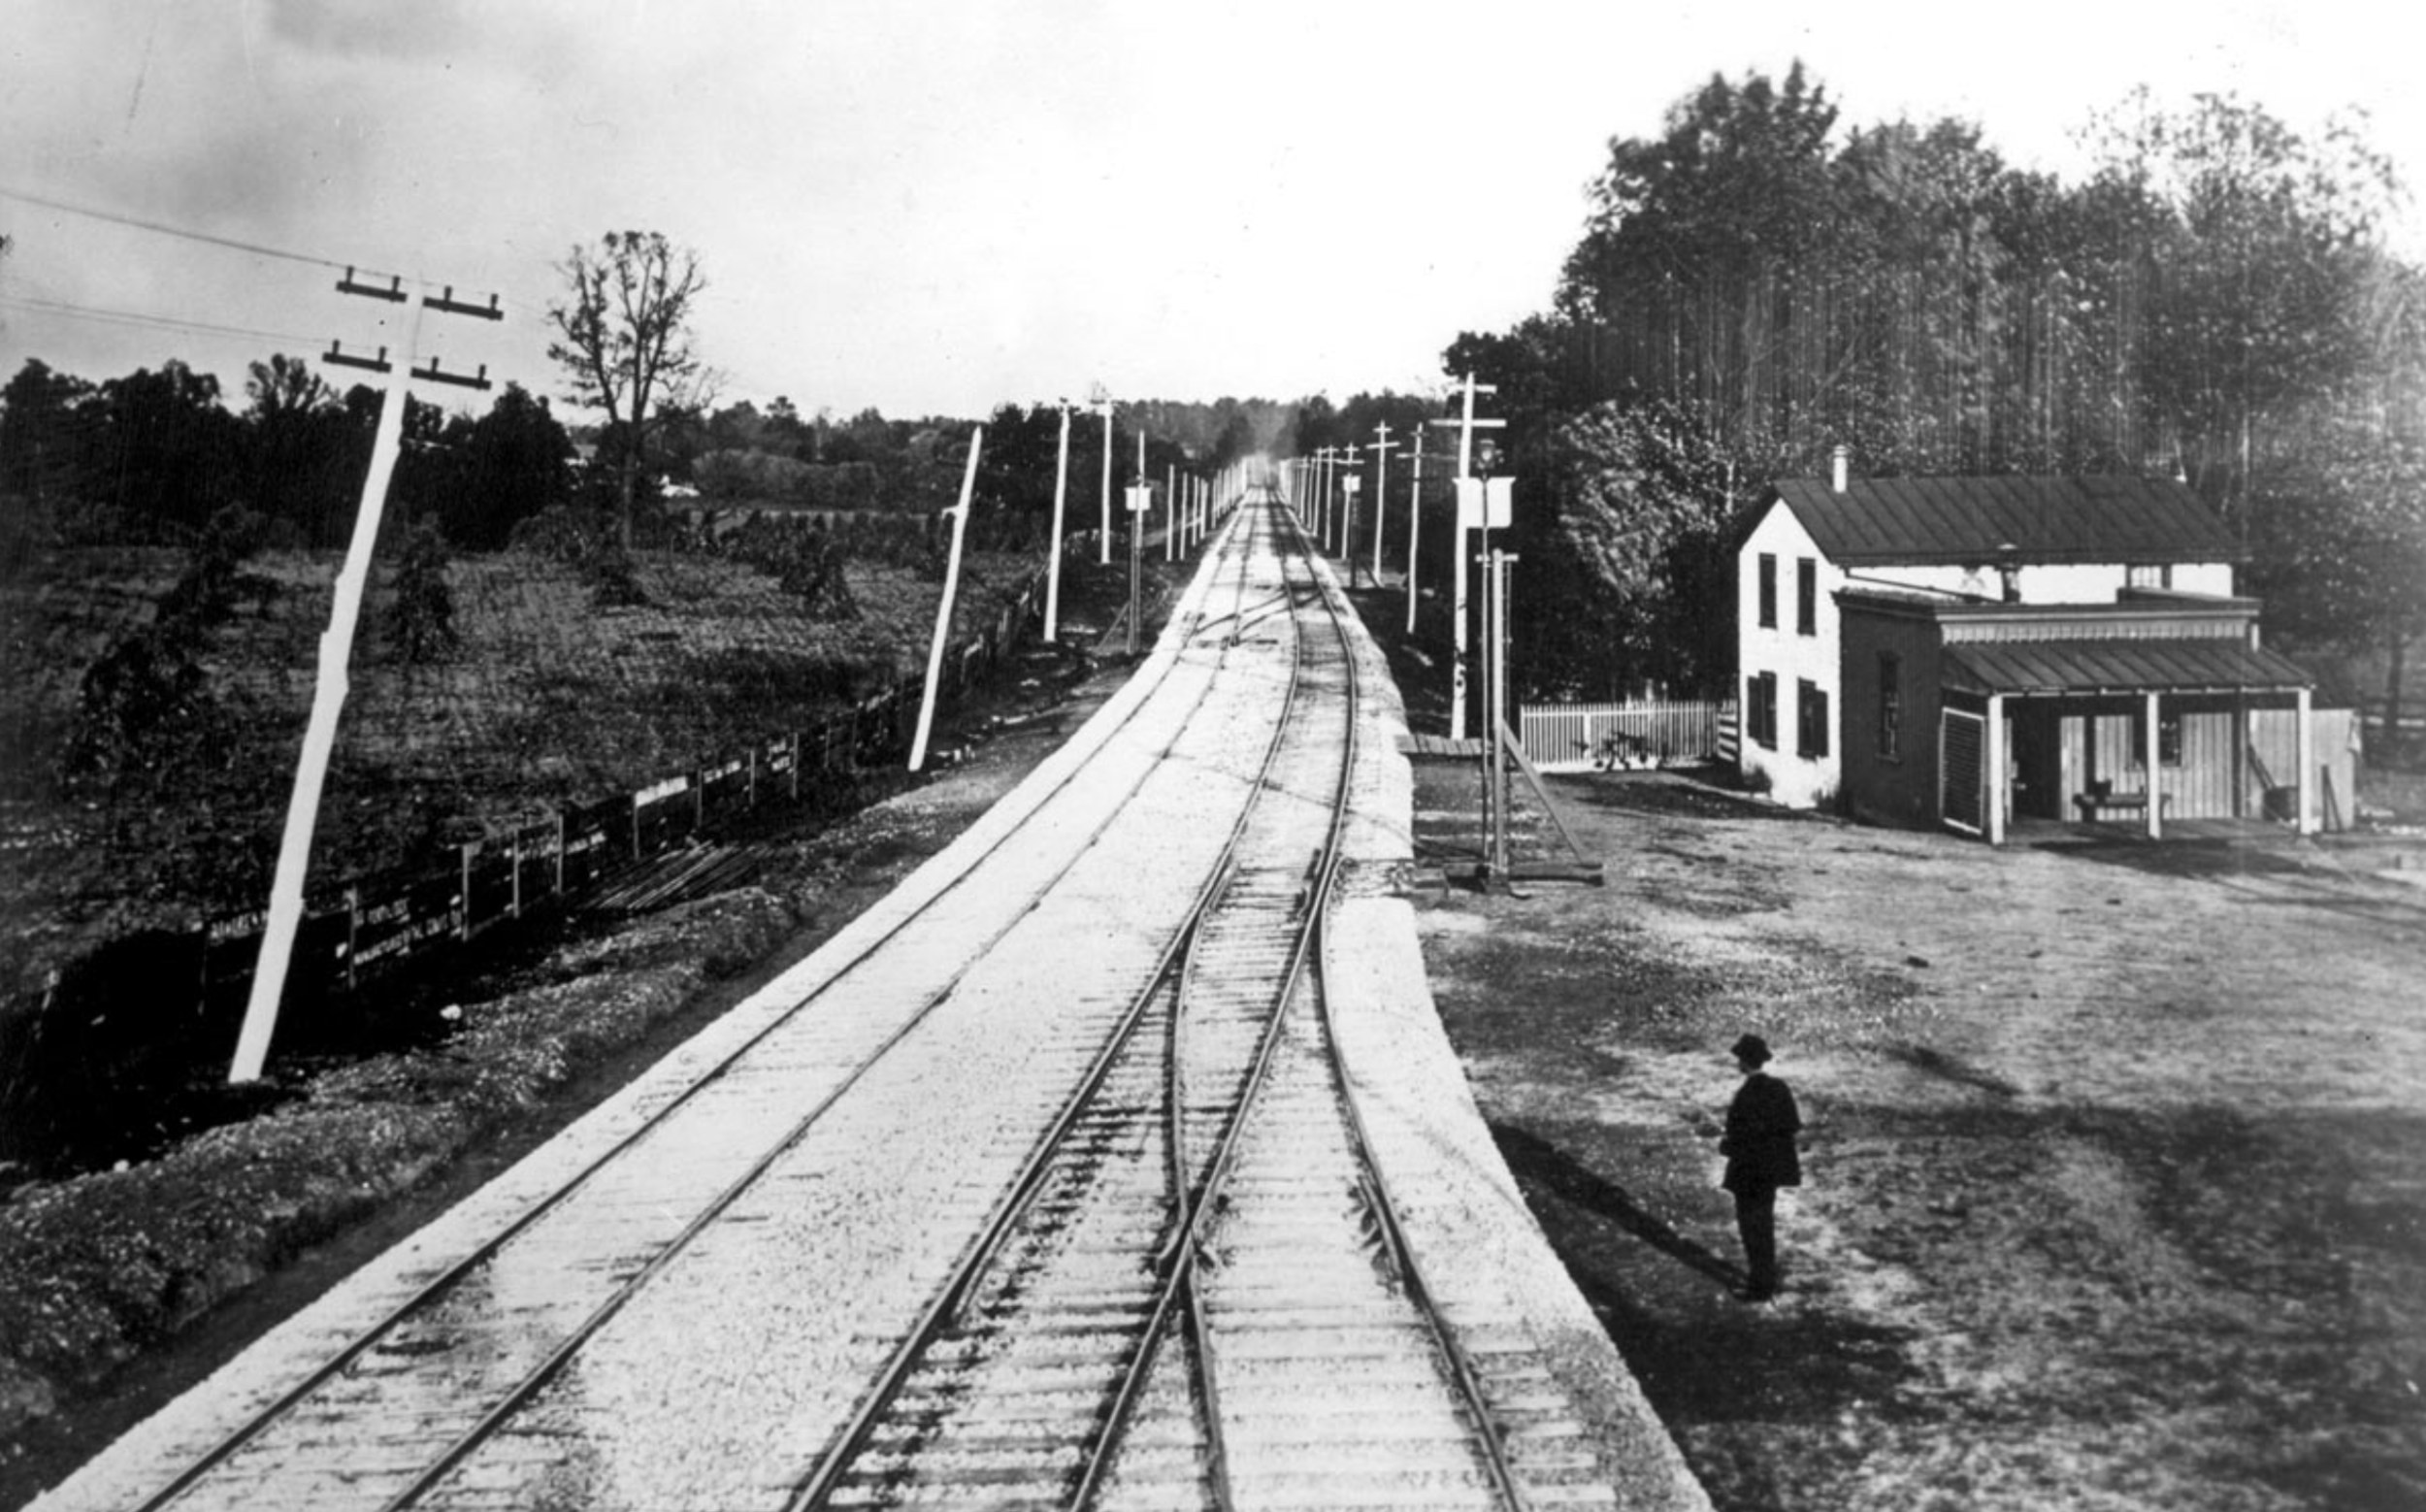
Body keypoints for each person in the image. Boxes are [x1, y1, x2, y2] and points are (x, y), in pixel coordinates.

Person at [1720, 1033, 1801, 1300]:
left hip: (1748, 1174)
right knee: (1764, 1226)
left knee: (1751, 1229)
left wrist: (1726, 1146)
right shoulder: (1779, 1088)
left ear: (1744, 1062)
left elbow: (1740, 1138)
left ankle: (1759, 1287)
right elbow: (1792, 1125)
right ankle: (1766, 1280)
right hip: (1771, 1172)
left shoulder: (1745, 1095)